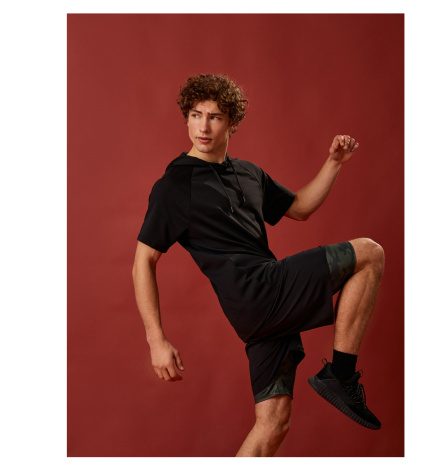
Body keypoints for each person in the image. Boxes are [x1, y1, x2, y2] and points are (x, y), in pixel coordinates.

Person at [132, 74, 385, 457]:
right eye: (196, 115)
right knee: (369, 253)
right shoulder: (175, 186)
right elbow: (143, 262)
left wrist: (334, 163)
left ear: (232, 122)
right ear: (186, 118)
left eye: (215, 117)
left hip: (263, 313)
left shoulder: (248, 173)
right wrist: (156, 340)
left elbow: (299, 207)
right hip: (257, 294)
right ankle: (341, 374)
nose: (203, 127)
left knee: (273, 424)